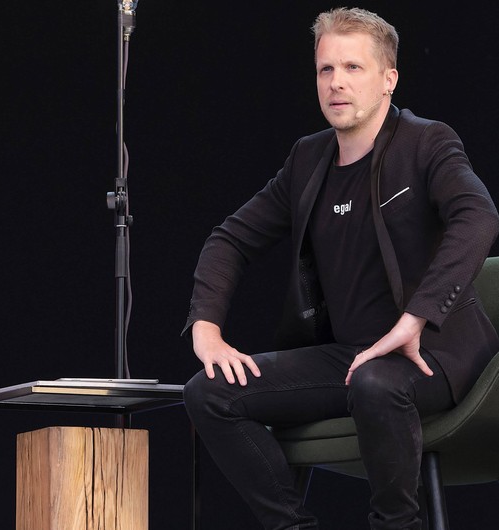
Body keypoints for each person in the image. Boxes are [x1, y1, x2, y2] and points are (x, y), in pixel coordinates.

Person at [182, 7, 499, 530]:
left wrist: (415, 318)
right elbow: (229, 238)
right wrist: (207, 331)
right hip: (349, 357)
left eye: (353, 68)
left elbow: (479, 215)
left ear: (388, 79)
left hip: (435, 353)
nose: (336, 83)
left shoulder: (427, 142)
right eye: (326, 69)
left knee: (375, 383)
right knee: (208, 392)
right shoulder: (308, 160)